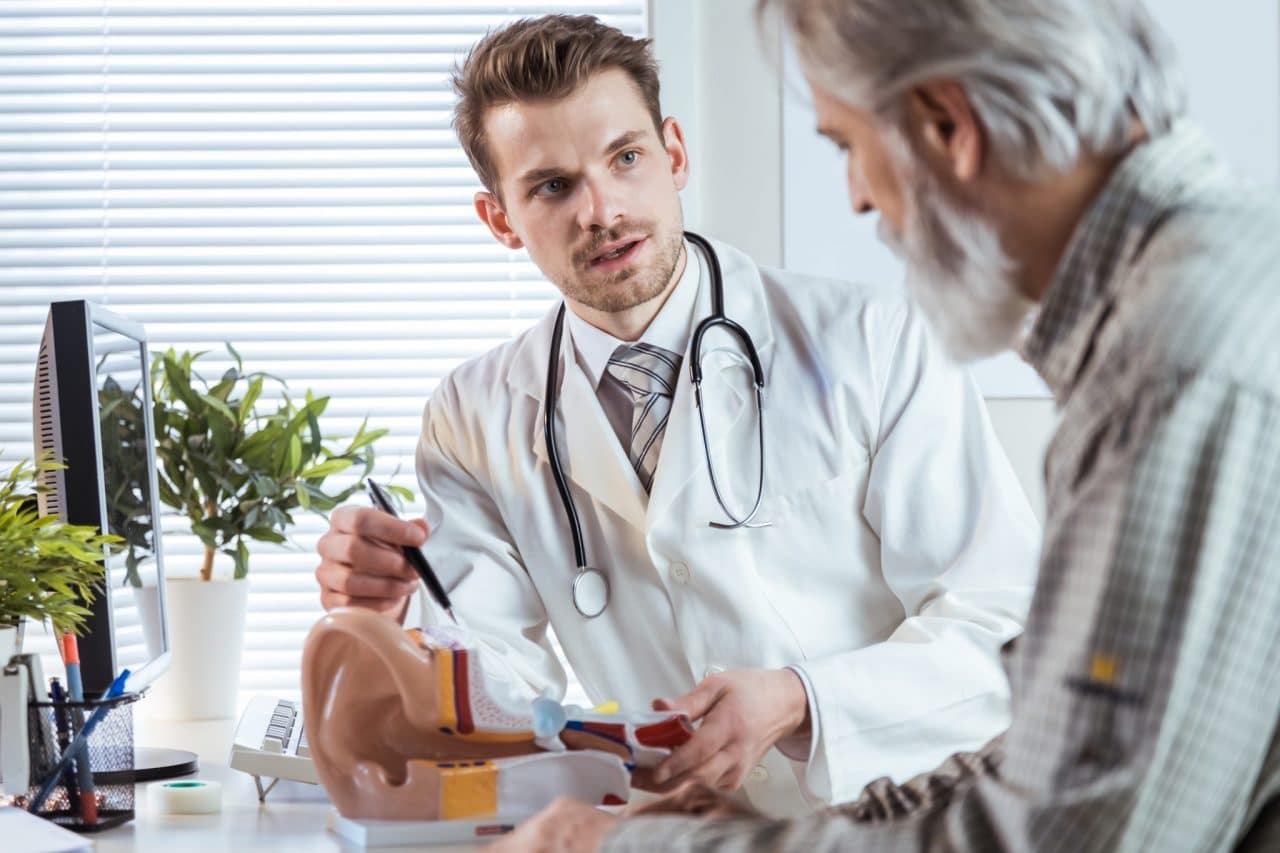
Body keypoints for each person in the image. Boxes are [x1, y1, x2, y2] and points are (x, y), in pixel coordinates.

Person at [492, 0, 1280, 850]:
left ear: (947, 126)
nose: (860, 197)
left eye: (846, 145)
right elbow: (1053, 752)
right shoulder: (1198, 302)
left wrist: (632, 847)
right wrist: (818, 822)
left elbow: (1065, 835)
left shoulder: (1177, 368)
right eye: (552, 185)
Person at [314, 14, 1040, 818]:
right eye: (552, 186)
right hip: (679, 832)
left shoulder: (874, 339)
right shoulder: (471, 418)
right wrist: (398, 625)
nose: (601, 211)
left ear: (675, 154)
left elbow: (1002, 625)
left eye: (625, 158)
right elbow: (496, 700)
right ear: (501, 220)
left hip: (898, 824)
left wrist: (803, 700)